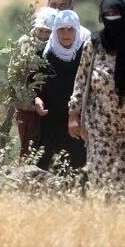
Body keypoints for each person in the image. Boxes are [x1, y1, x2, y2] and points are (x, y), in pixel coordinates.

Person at [68, 0, 125, 191]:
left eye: (115, 14)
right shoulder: (93, 44)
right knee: (101, 180)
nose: (112, 19)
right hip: (99, 126)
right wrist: (73, 115)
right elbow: (82, 79)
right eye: (107, 15)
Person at [33, 10, 86, 170]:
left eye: (70, 29)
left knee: (77, 170)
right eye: (61, 29)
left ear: (77, 30)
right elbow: (34, 85)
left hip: (77, 121)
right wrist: (36, 99)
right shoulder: (43, 55)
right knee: (45, 168)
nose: (66, 33)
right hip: (50, 121)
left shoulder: (85, 54)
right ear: (55, 30)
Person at [11, 7, 57, 156]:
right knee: (28, 148)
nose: (43, 35)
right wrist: (29, 100)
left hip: (52, 104)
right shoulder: (25, 43)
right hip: (27, 106)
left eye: (48, 32)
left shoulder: (59, 45)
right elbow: (15, 75)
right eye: (41, 30)